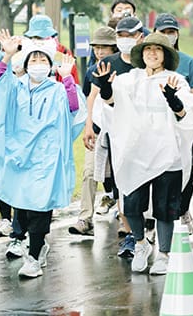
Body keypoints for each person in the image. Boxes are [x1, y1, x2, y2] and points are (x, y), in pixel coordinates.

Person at [0, 30, 86, 278]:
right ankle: (36, 246)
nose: (38, 65)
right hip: (20, 158)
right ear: (26, 64)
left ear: (50, 65)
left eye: (43, 61)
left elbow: (74, 109)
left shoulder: (56, 90)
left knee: (40, 208)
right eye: (34, 60)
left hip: (47, 159)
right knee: (24, 207)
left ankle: (33, 256)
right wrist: (7, 56)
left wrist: (68, 80)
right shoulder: (16, 88)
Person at [94, 32, 193, 275]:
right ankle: (141, 243)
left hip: (167, 152)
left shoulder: (176, 80)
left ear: (166, 55)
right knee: (131, 203)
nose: (152, 53)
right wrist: (105, 88)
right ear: (141, 54)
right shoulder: (130, 79)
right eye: (148, 49)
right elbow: (112, 104)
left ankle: (163, 254)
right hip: (136, 152)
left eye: (158, 49)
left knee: (165, 206)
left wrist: (175, 103)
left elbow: (188, 112)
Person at [80, 16, 145, 258]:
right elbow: (93, 96)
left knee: (141, 185)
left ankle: (144, 231)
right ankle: (130, 235)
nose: (126, 40)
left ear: (139, 36)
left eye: (130, 35)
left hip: (143, 134)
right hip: (115, 135)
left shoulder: (144, 62)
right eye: (122, 35)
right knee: (122, 185)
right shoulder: (107, 63)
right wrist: (89, 125)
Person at [154, 13, 193, 234]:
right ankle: (154, 221)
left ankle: (183, 210)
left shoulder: (188, 62)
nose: (167, 36)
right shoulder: (149, 62)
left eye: (171, 32)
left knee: (187, 172)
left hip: (181, 129)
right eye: (162, 32)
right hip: (155, 130)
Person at [68, 26, 118, 236]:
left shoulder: (123, 68)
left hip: (119, 130)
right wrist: (88, 125)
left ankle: (129, 220)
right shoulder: (90, 72)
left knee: (119, 176)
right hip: (97, 129)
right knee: (89, 172)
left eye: (104, 47)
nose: (99, 52)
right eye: (96, 48)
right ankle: (84, 218)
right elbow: (90, 101)